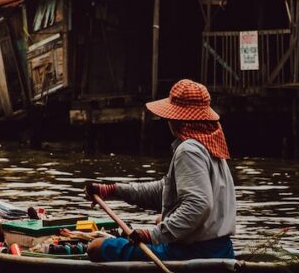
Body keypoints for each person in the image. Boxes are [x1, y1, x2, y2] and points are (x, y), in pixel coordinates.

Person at [85, 79, 236, 262]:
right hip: (222, 249)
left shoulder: (189, 150)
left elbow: (198, 205)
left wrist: (153, 235)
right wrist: (112, 190)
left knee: (96, 247)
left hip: (193, 252)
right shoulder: (211, 147)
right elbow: (165, 191)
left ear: (176, 118)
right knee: (159, 219)